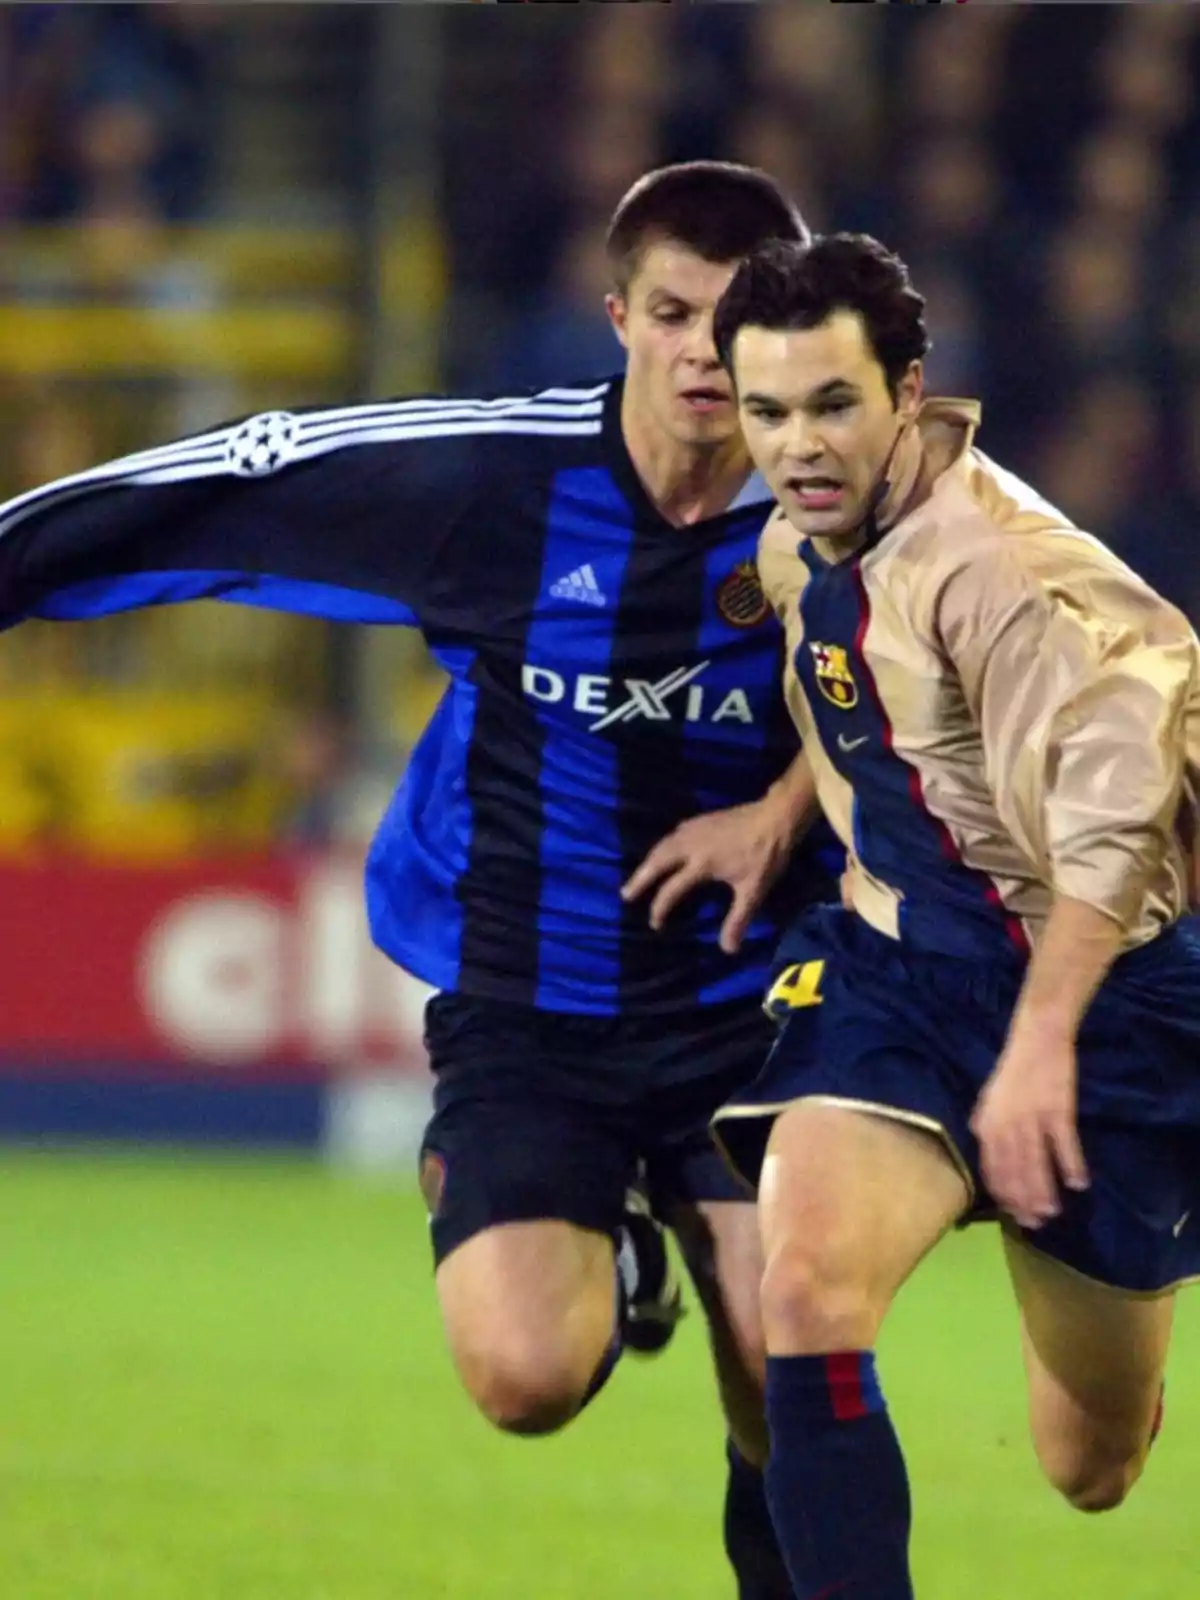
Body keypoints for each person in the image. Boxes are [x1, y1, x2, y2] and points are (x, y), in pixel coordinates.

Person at [0, 163, 842, 1598]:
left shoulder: (863, 498)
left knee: (791, 1358)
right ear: (616, 316)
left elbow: (964, 686)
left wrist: (783, 801)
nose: (707, 352)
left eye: (739, 320)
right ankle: (612, 1256)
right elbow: (232, 476)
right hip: (530, 1005)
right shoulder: (492, 482)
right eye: (673, 314)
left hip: (754, 1002)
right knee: (525, 1377)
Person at [707, 232, 1200, 1600]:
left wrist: (1042, 1046)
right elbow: (887, 706)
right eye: (766, 410)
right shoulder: (807, 535)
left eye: (832, 405)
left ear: (908, 393)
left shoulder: (1016, 581)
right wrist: (784, 809)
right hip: (895, 979)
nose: (796, 445)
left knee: (1087, 1467)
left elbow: (1120, 834)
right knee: (799, 1292)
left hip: (1098, 1006)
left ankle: (1112, 1373)